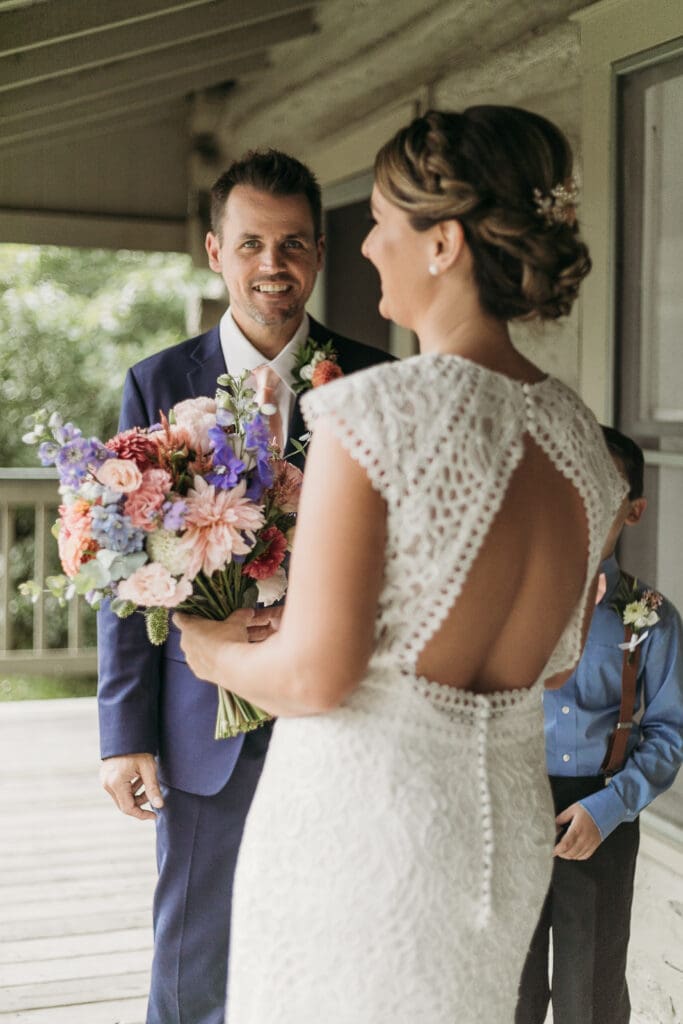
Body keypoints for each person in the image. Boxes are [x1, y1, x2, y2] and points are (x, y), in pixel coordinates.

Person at [175, 106, 627, 1023]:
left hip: (364, 839)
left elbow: (314, 673)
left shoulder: (377, 415)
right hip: (497, 844)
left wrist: (211, 652)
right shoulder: (582, 443)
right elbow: (564, 660)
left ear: (442, 243)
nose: (369, 244)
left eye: (382, 220)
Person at [96, 149, 392, 1024]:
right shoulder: (156, 382)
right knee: (194, 962)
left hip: (338, 716)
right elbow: (125, 566)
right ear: (215, 251)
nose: (274, 264)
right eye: (253, 242)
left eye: (294, 243)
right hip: (201, 728)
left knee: (328, 951)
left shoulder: (375, 378)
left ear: (319, 254)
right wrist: (124, 732)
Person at [515, 426, 683, 1024]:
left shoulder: (654, 620)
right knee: (509, 991)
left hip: (603, 815)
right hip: (514, 811)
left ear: (634, 509)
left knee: (594, 999)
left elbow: (668, 735)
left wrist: (610, 808)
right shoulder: (505, 600)